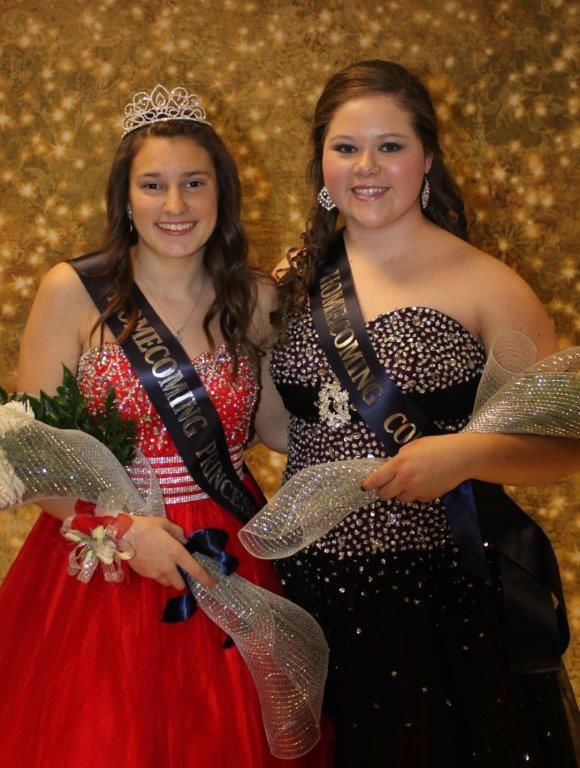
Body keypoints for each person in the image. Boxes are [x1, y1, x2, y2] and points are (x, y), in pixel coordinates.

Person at [0, 85, 330, 768]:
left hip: (228, 548)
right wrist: (123, 531)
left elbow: (275, 428)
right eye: (153, 185)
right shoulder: (73, 291)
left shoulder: (255, 297)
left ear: (222, 194)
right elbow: (34, 460)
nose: (174, 205)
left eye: (194, 183)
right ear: (125, 198)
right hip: (104, 556)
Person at [269, 60, 580, 767]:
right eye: (346, 147)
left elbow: (563, 443)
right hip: (304, 592)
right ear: (322, 162)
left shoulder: (489, 285)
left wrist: (463, 455)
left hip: (434, 601)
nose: (367, 167)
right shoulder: (292, 282)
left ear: (429, 157)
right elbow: (282, 425)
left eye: (391, 145)